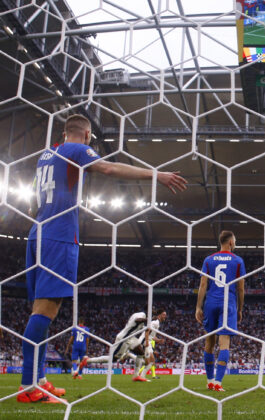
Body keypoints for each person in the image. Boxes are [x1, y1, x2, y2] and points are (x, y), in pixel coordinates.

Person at [19, 114, 187, 403]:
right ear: (86, 135)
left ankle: (39, 379)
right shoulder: (74, 149)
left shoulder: (47, 155)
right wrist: (155, 175)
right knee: (45, 312)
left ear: (63, 131)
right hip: (58, 236)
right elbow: (108, 168)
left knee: (42, 311)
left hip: (39, 231)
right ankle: (28, 386)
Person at [195, 230, 246, 392]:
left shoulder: (209, 260)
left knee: (209, 343)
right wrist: (239, 309)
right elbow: (241, 288)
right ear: (230, 242)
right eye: (235, 241)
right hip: (228, 303)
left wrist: (198, 306)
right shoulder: (238, 261)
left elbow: (203, 285)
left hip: (210, 302)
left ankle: (209, 381)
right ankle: (218, 383)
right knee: (224, 343)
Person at [77, 311, 151, 383]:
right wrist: (147, 319)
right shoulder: (141, 315)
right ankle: (87, 360)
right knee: (113, 359)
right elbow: (137, 320)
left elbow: (139, 326)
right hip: (124, 339)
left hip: (131, 338)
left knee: (141, 353)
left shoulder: (142, 318)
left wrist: (147, 328)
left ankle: (136, 375)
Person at [138, 309, 167, 380]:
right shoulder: (155, 322)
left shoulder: (157, 323)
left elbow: (152, 336)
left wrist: (159, 340)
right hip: (144, 341)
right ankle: (140, 375)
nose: (165, 316)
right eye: (164, 315)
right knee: (150, 361)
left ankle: (140, 375)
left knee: (151, 361)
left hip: (149, 341)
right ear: (159, 315)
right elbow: (147, 331)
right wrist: (147, 342)